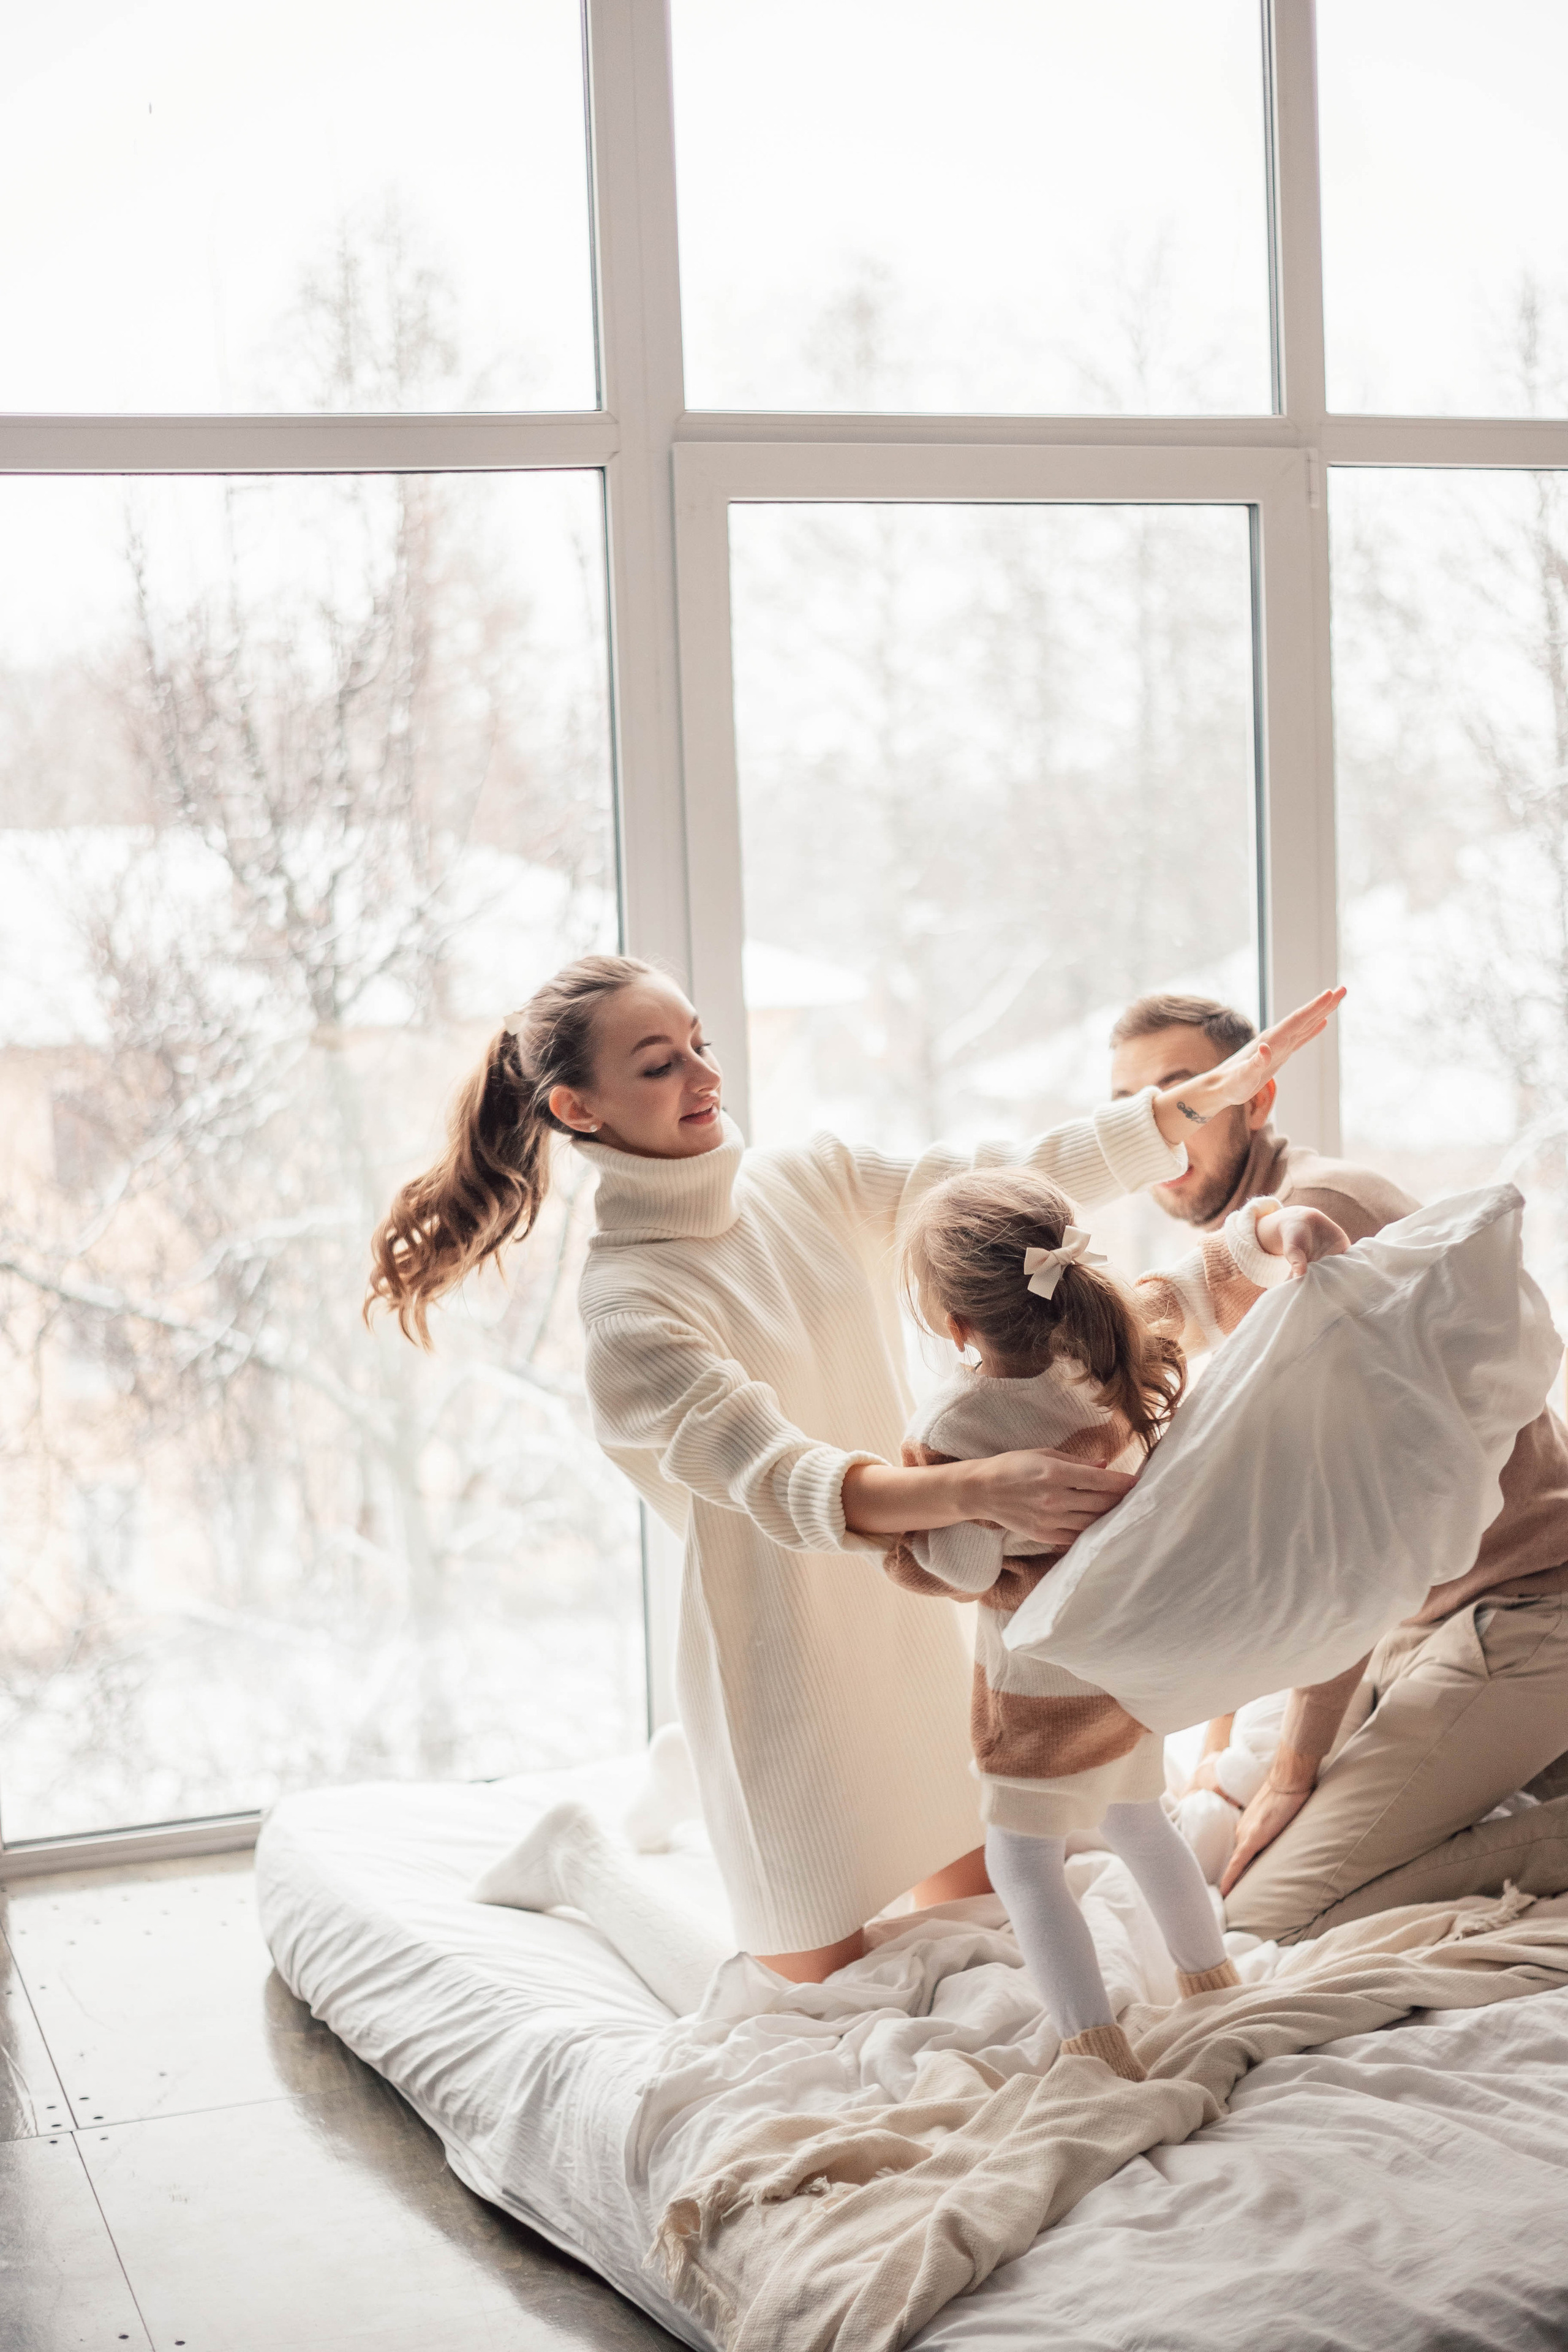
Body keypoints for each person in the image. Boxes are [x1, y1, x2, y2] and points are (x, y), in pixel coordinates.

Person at [366, 954, 1342, 1991]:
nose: (705, 1076)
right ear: (577, 1107)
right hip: (781, 1655)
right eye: (660, 1065)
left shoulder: (806, 1179)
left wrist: (1187, 1108)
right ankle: (583, 1860)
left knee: (985, 1934)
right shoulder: (629, 1303)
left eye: (699, 1043)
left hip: (921, 1612)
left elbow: (1003, 1185)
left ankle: (672, 1778)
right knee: (802, 2005)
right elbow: (783, 1476)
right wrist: (980, 1488)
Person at [1110, 990, 1568, 1943]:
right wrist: (1222, 1748)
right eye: (1136, 1109)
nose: (1163, 1130)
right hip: (1427, 1614)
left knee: (1269, 1915)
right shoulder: (1240, 1242)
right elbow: (1275, 1527)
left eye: (1188, 1095)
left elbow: (1356, 1528)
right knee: (1229, 1846)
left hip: (1530, 1605)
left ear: (1257, 1099)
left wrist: (1291, 1773)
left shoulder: (1315, 1221)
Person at [881, 1165, 1349, 2076]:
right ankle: (1212, 1983)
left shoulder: (955, 1425)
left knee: (1022, 1863)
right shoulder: (1113, 1349)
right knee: (1141, 1821)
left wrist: (895, 1546)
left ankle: (1094, 2048)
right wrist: (1278, 1229)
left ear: (956, 1325)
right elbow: (1198, 1287)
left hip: (1038, 1691)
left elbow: (962, 1566)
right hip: (1131, 1666)